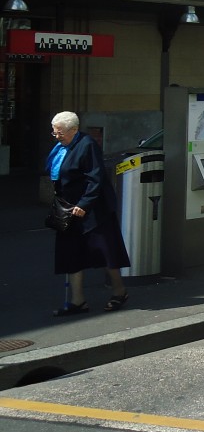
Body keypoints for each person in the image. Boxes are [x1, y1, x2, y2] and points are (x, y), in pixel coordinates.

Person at [47, 110, 131, 317]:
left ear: (74, 130)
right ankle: (77, 301)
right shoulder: (61, 147)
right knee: (71, 253)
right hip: (68, 208)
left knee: (105, 252)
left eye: (60, 133)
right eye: (54, 132)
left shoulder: (87, 145)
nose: (56, 136)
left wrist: (84, 203)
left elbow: (96, 177)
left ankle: (119, 291)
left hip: (94, 210)